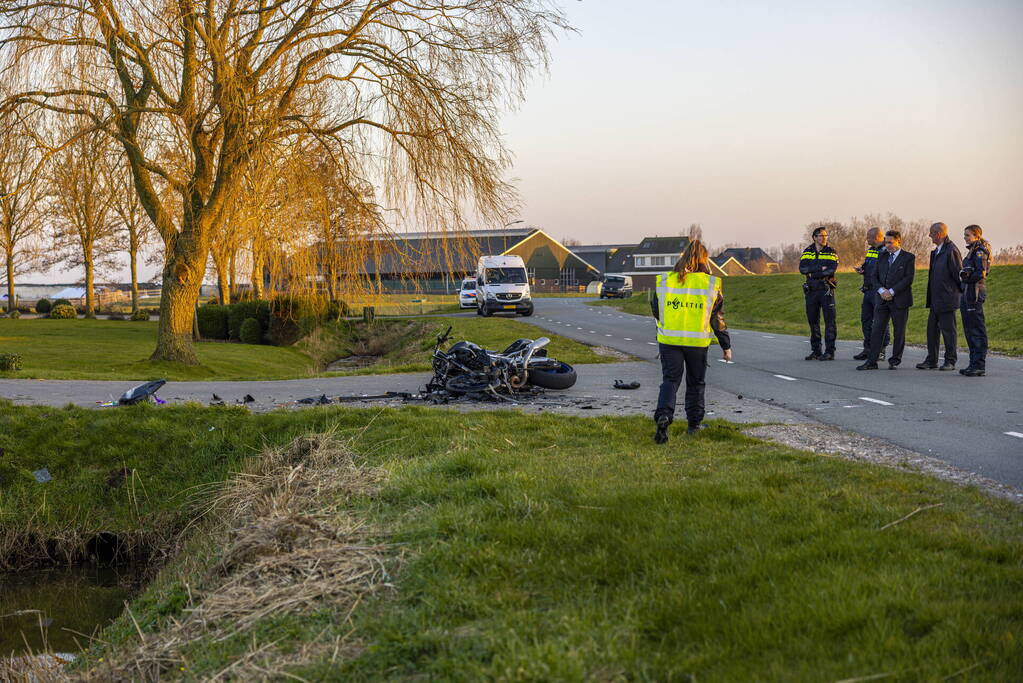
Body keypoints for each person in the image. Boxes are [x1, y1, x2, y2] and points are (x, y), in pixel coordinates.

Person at [650, 239, 731, 444]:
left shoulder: (666, 280)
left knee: (670, 381)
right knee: (695, 383)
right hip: (697, 344)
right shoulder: (710, 283)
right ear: (705, 259)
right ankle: (694, 425)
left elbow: (656, 309)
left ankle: (664, 416)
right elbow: (716, 318)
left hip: (669, 340)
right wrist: (726, 345)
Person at [857, 230, 915, 370]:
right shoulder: (881, 256)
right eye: (886, 242)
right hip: (882, 299)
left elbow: (908, 278)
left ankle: (895, 360)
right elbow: (874, 276)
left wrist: (892, 291)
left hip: (899, 299)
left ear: (898, 241)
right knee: (877, 329)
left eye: (890, 242)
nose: (887, 245)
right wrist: (882, 291)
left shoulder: (908, 257)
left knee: (899, 331)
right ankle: (872, 361)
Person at [916, 222, 962, 371]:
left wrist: (955, 295)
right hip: (935, 299)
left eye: (931, 233)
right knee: (932, 331)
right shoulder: (935, 252)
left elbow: (958, 275)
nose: (929, 236)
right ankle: (932, 359)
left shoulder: (951, 250)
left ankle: (950, 360)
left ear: (939, 233)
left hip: (947, 299)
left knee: (949, 331)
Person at [799, 226, 838, 360]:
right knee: (813, 321)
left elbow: (831, 270)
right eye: (821, 236)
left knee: (830, 322)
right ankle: (816, 351)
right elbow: (802, 269)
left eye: (826, 236)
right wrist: (819, 269)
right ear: (814, 237)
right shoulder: (807, 251)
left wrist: (812, 272)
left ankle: (829, 351)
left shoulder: (831, 251)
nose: (824, 238)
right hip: (811, 291)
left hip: (826, 289)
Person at [853, 227, 889, 361]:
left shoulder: (886, 250)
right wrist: (862, 269)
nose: (866, 239)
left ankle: (881, 350)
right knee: (866, 320)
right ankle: (868, 349)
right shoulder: (871, 250)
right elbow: (869, 266)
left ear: (877, 237)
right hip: (868, 290)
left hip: (878, 291)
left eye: (868, 237)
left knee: (881, 322)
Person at [959, 225, 991, 377]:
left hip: (975, 293)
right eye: (964, 235)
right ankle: (972, 363)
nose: (965, 237)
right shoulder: (971, 250)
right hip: (967, 293)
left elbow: (981, 273)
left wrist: (966, 276)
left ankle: (979, 365)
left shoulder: (979, 251)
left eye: (967, 235)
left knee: (976, 329)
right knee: (969, 329)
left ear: (977, 236)